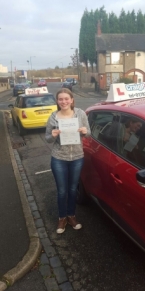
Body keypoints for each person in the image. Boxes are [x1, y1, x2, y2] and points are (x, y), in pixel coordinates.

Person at [45, 88, 91, 234]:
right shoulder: (53, 117)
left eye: (66, 99)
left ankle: (71, 216)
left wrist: (85, 132)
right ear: (57, 101)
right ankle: (62, 218)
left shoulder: (80, 114)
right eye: (60, 99)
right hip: (59, 158)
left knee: (72, 189)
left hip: (77, 157)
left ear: (71, 100)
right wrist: (52, 135)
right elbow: (47, 138)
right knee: (62, 191)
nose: (64, 101)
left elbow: (88, 133)